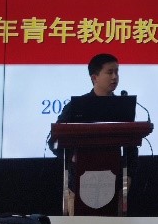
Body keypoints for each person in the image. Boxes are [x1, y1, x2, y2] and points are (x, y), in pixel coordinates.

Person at [47, 53, 137, 215]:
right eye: (109, 72)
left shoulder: (123, 107)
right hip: (79, 184)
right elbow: (53, 141)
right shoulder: (77, 106)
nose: (115, 77)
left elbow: (131, 145)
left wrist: (129, 175)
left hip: (115, 185)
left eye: (117, 72)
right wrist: (72, 156)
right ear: (94, 77)